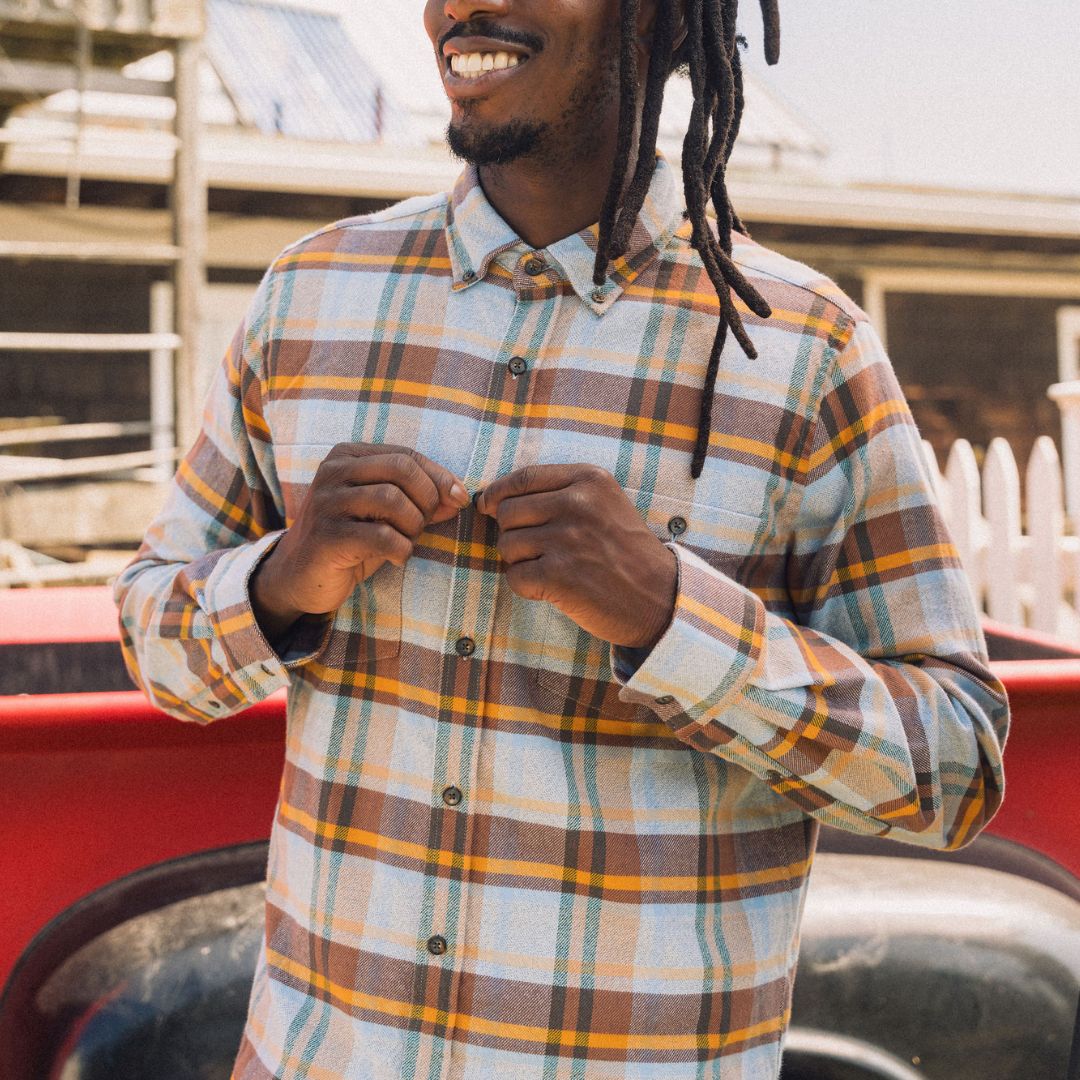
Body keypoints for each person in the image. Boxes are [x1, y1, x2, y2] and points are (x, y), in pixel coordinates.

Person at [115, 1, 1009, 1077]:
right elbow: (156, 648)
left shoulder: (802, 349)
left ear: (661, 20)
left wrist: (673, 619)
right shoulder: (310, 298)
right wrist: (283, 580)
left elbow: (952, 770)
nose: (459, 8)